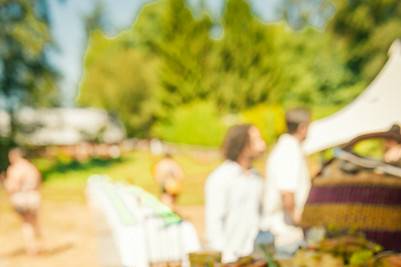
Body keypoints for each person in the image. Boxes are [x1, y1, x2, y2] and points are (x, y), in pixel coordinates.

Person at [205, 124, 266, 262]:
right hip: (230, 258)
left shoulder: (256, 177)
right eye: (256, 139)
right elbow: (214, 223)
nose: (262, 143)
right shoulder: (221, 177)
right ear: (243, 144)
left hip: (253, 257)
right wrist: (225, 259)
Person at [261, 108, 311, 256]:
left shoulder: (287, 147)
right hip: (285, 233)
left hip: (284, 231)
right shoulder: (289, 150)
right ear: (302, 127)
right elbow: (287, 193)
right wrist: (300, 222)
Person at [4, 148, 42, 255]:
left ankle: (32, 248)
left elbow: (12, 186)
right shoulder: (31, 167)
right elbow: (39, 182)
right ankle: (39, 245)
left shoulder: (15, 169)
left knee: (26, 223)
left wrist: (5, 184)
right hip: (34, 196)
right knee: (34, 221)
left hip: (22, 198)